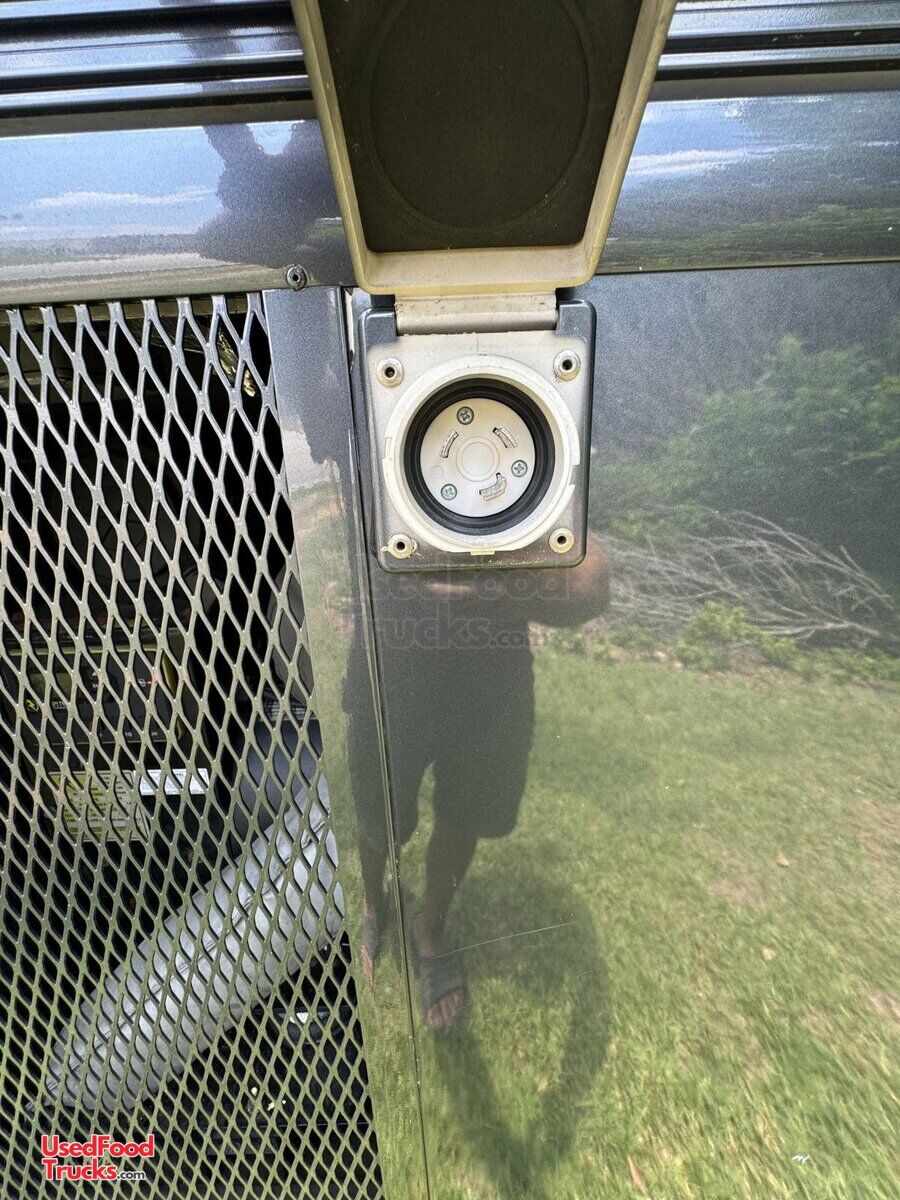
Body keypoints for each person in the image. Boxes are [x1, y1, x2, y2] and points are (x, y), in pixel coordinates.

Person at [351, 534, 610, 1033]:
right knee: (375, 810)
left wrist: (497, 588)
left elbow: (591, 586)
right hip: (388, 654)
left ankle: (430, 929)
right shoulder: (357, 472)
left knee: (464, 814)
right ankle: (373, 900)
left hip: (489, 669)